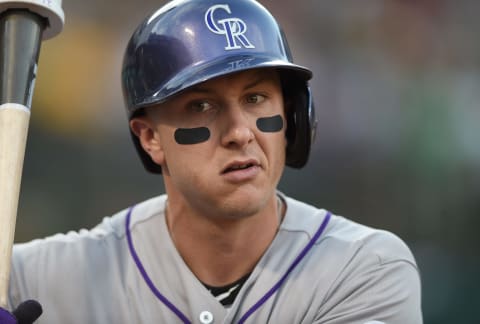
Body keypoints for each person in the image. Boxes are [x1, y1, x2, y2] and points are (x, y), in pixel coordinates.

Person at [1, 0, 423, 323]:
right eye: (201, 105)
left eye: (256, 98)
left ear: (292, 115)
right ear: (150, 138)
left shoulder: (365, 269)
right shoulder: (34, 278)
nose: (240, 132)